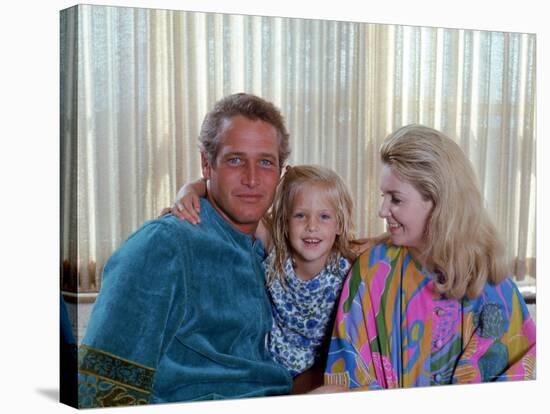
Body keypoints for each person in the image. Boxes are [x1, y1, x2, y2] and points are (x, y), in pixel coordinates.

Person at [77, 93, 293, 407]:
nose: (252, 178)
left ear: (280, 173)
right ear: (207, 164)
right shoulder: (163, 246)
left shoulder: (272, 248)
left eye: (265, 162)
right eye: (235, 160)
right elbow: (99, 389)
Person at [322, 124, 536, 391]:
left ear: (439, 203)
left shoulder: (493, 284)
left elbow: (515, 388)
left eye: (396, 199)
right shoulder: (372, 271)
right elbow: (348, 377)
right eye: (382, 196)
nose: (382, 210)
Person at [170, 165, 358, 382]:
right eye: (300, 216)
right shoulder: (278, 252)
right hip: (263, 365)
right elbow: (219, 193)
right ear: (285, 222)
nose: (311, 226)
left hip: (318, 372)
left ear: (339, 224)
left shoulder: (347, 269)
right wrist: (188, 191)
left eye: (324, 216)